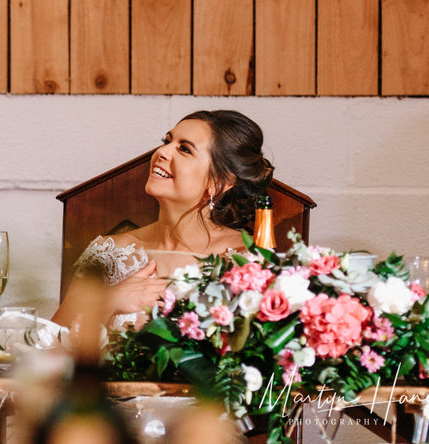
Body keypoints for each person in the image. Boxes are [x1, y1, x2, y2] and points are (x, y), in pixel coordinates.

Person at [51, 110, 273, 334]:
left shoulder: (246, 260)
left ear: (219, 182)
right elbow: (49, 343)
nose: (162, 152)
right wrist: (108, 301)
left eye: (184, 149)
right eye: (167, 141)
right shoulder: (108, 253)